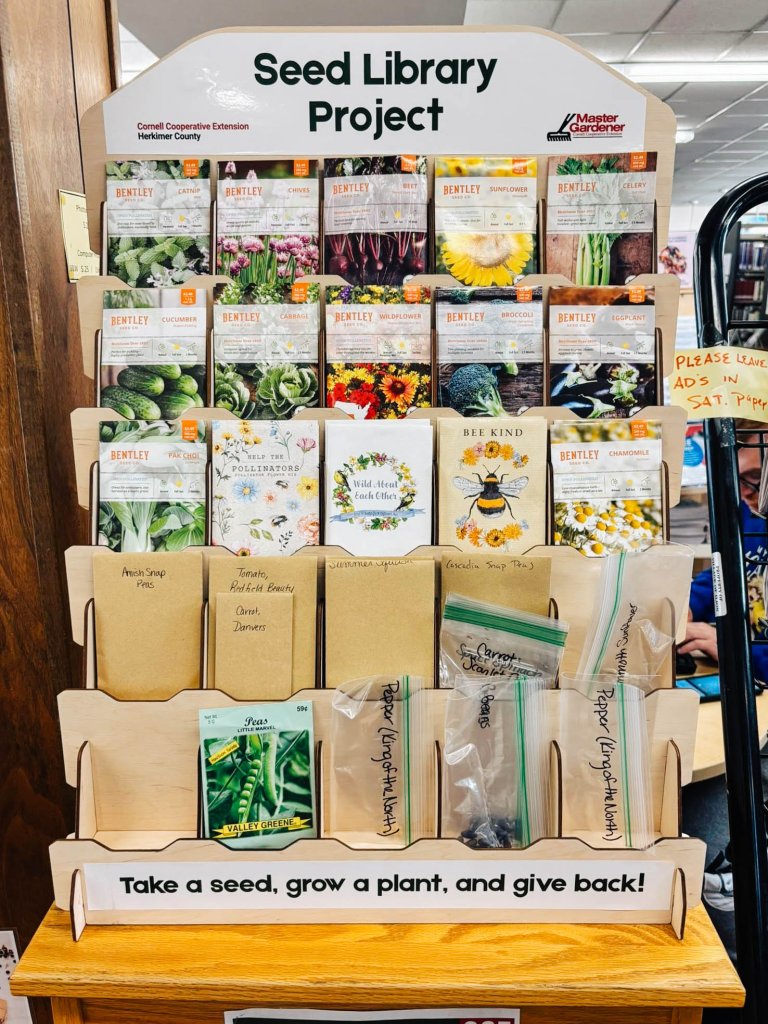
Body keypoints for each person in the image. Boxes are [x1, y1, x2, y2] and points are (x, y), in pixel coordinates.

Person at [682, 431, 768, 683]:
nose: (744, 493)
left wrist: (735, 651)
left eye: (754, 478)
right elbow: (728, 569)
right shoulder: (750, 510)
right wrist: (688, 605)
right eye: (735, 479)